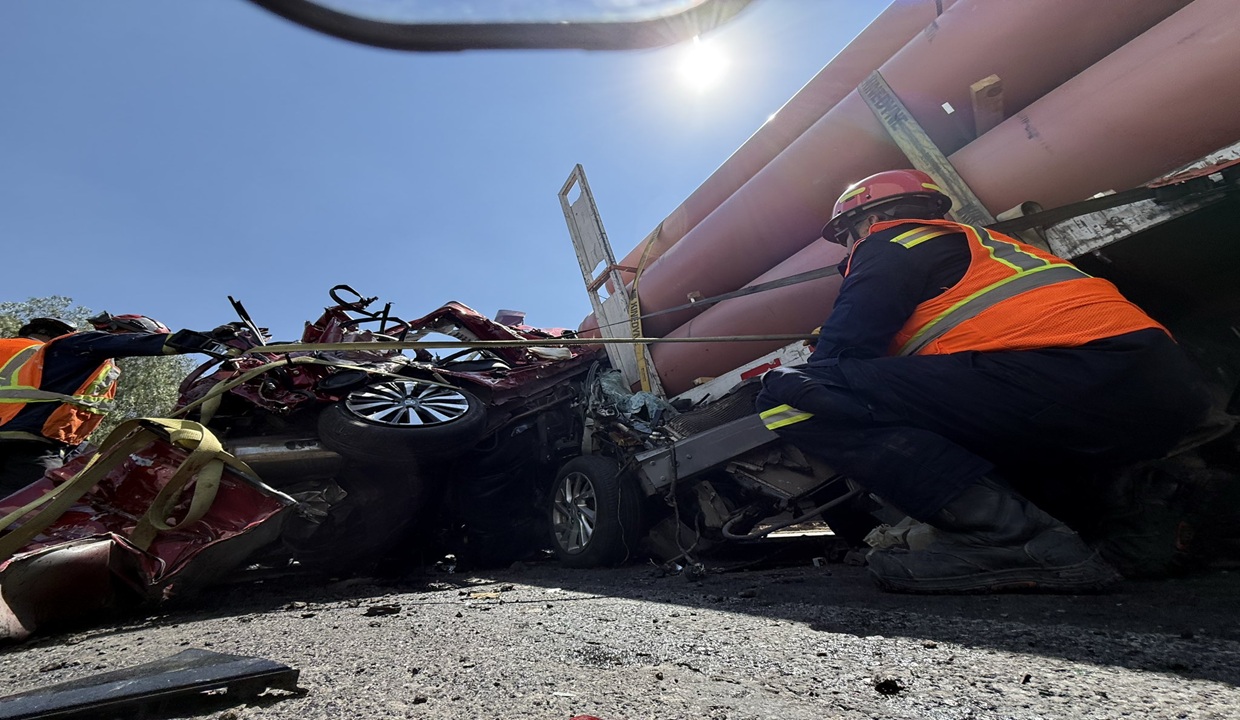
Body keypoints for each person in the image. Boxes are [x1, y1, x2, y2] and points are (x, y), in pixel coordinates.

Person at [754, 169, 1214, 594]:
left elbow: (838, 358)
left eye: (847, 236)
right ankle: (1102, 520)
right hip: (1165, 386)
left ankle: (1010, 538)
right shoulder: (988, 248)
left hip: (1071, 379)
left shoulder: (891, 242)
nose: (851, 245)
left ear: (869, 218)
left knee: (791, 394)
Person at [0, 313, 212, 497]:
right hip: (31, 442)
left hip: (23, 436)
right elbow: (136, 344)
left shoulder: (15, 351)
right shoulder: (71, 346)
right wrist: (208, 340)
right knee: (26, 509)